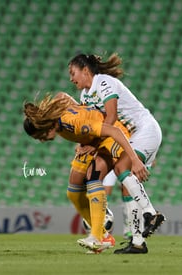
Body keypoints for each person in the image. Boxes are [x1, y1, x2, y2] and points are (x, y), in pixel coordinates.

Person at [23, 93, 149, 253]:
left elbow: (113, 131)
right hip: (90, 140)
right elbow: (62, 95)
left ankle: (97, 237)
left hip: (113, 137)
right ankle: (104, 236)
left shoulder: (74, 123)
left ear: (45, 126)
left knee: (93, 177)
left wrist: (134, 159)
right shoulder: (59, 117)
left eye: (40, 135)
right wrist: (82, 107)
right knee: (73, 192)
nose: (42, 140)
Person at [68, 52, 165, 254]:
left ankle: (150, 213)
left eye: (73, 72)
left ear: (85, 70)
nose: (71, 78)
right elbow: (94, 126)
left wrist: (93, 146)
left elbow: (110, 118)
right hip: (126, 136)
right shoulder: (84, 95)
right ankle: (137, 242)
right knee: (112, 180)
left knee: (122, 167)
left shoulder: (104, 82)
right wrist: (84, 144)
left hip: (144, 130)